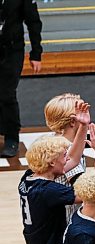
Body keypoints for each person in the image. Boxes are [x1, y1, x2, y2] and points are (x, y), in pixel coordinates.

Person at [0, 0, 42, 157]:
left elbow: (33, 22)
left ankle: (12, 138)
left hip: (12, 50)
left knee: (7, 93)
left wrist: (36, 53)